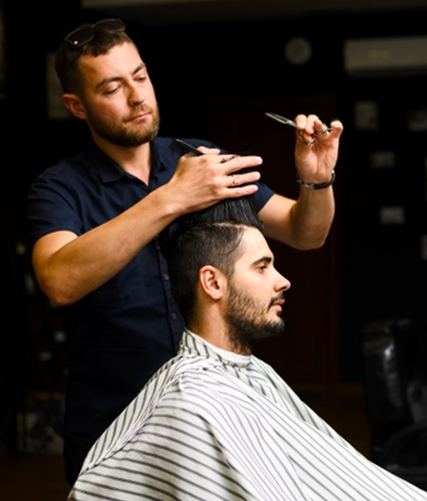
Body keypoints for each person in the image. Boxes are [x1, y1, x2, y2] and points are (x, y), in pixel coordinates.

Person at [26, 18, 343, 485]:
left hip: (213, 411)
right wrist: (171, 198)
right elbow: (59, 280)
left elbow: (304, 231)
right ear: (76, 106)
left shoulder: (201, 159)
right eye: (113, 87)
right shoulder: (60, 188)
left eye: (140, 77)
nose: (137, 97)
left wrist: (316, 178)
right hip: (114, 422)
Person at [67, 196, 427, 501]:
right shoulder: (192, 402)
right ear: (212, 282)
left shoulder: (251, 374)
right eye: (262, 267)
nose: (283, 281)